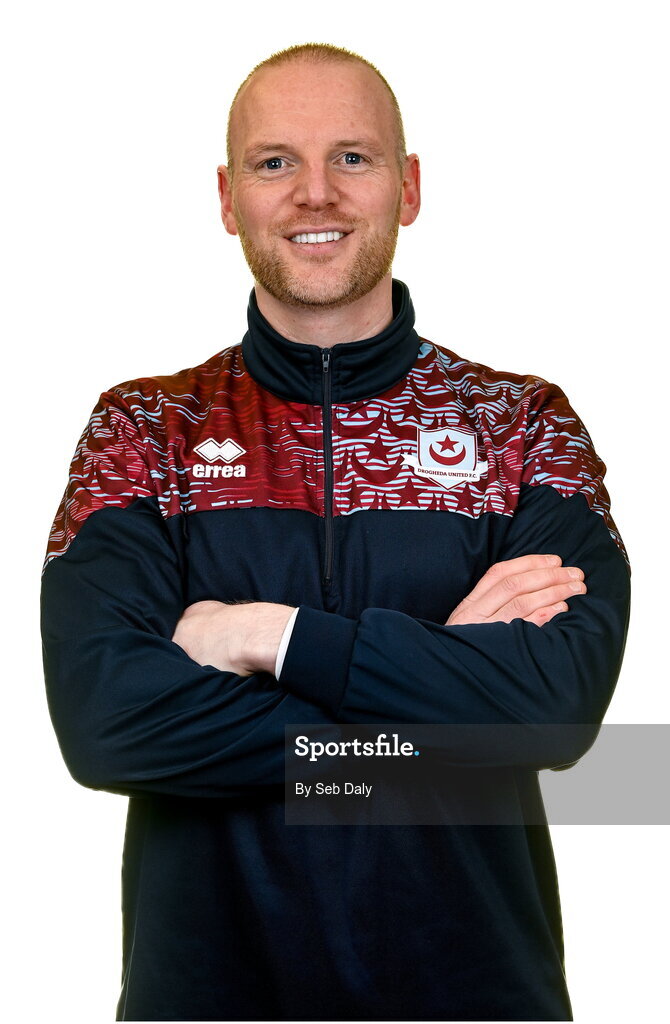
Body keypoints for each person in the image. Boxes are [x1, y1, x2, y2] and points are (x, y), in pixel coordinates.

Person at [41, 42, 630, 1022]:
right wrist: (440, 708)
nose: (315, 191)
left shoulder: (522, 426)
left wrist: (266, 636)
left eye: (352, 156)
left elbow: (558, 709)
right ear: (228, 198)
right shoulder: (145, 431)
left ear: (409, 186)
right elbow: (106, 725)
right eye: (275, 161)